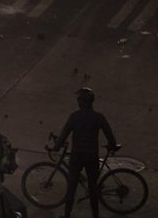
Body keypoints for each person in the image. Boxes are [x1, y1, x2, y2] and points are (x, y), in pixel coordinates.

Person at [51, 88, 120, 218]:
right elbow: (110, 136)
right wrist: (112, 146)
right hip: (92, 156)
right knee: (93, 188)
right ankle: (95, 215)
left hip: (77, 156)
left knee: (71, 188)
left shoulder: (74, 117)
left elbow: (63, 135)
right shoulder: (99, 117)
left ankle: (67, 215)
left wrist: (55, 148)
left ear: (80, 102)